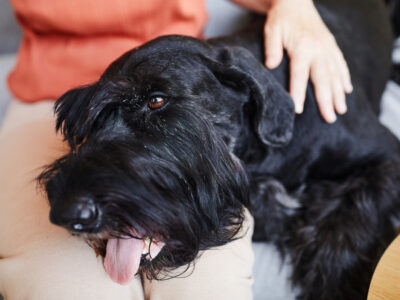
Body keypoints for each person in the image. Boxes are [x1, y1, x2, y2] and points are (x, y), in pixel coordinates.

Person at [0, 0, 352, 299]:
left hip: (174, 87)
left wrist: (294, 6)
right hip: (55, 100)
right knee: (64, 287)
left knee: (208, 288)